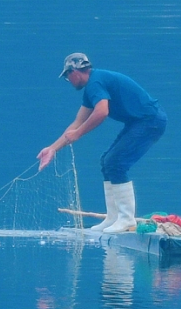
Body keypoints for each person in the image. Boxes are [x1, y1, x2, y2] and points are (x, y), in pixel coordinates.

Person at [37, 52, 167, 234]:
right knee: (107, 161)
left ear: (74, 72)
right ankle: (113, 218)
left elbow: (102, 112)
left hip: (150, 121)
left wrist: (79, 134)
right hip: (138, 122)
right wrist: (52, 149)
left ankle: (126, 219)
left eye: (67, 76)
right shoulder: (92, 88)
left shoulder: (95, 83)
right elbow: (77, 123)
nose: (69, 81)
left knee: (115, 163)